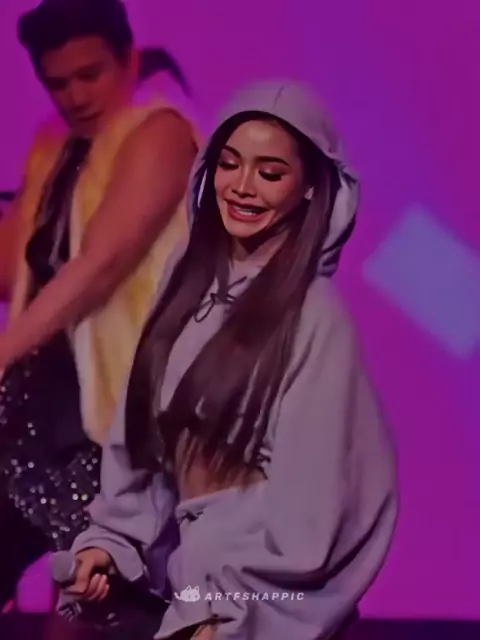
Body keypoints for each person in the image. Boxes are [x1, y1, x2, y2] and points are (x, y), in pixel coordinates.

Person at [61, 80, 398, 639]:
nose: (242, 187)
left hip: (255, 605)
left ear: (309, 188)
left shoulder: (314, 316)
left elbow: (314, 514)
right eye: (229, 163)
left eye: (270, 173)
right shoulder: (185, 281)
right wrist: (111, 543)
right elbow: (143, 440)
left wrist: (229, 612)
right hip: (194, 587)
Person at [0, 0, 198, 610]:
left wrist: (2, 351)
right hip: (33, 406)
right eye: (57, 83)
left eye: (91, 75)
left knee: (91, 606)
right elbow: (19, 271)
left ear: (129, 60)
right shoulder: (53, 145)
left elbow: (100, 266)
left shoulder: (160, 132)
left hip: (114, 421)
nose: (75, 96)